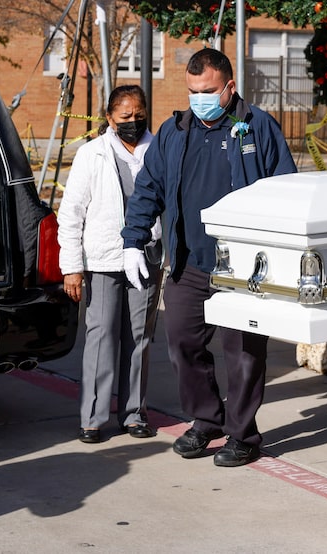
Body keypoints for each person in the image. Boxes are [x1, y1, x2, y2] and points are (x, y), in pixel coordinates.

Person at [121, 48, 297, 467]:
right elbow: (149, 188)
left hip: (244, 269)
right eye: (192, 91)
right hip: (190, 261)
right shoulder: (174, 131)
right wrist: (133, 239)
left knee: (244, 354)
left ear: (229, 88)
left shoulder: (258, 128)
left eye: (208, 90)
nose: (199, 98)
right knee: (182, 342)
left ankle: (243, 434)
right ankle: (206, 419)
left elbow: (286, 190)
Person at [57, 85, 162, 444]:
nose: (134, 122)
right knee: (101, 335)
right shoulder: (92, 154)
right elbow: (71, 212)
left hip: (147, 257)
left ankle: (134, 413)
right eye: (125, 117)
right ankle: (93, 416)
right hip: (103, 258)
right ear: (109, 118)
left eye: (139, 115)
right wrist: (71, 265)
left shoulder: (159, 149)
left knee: (139, 337)